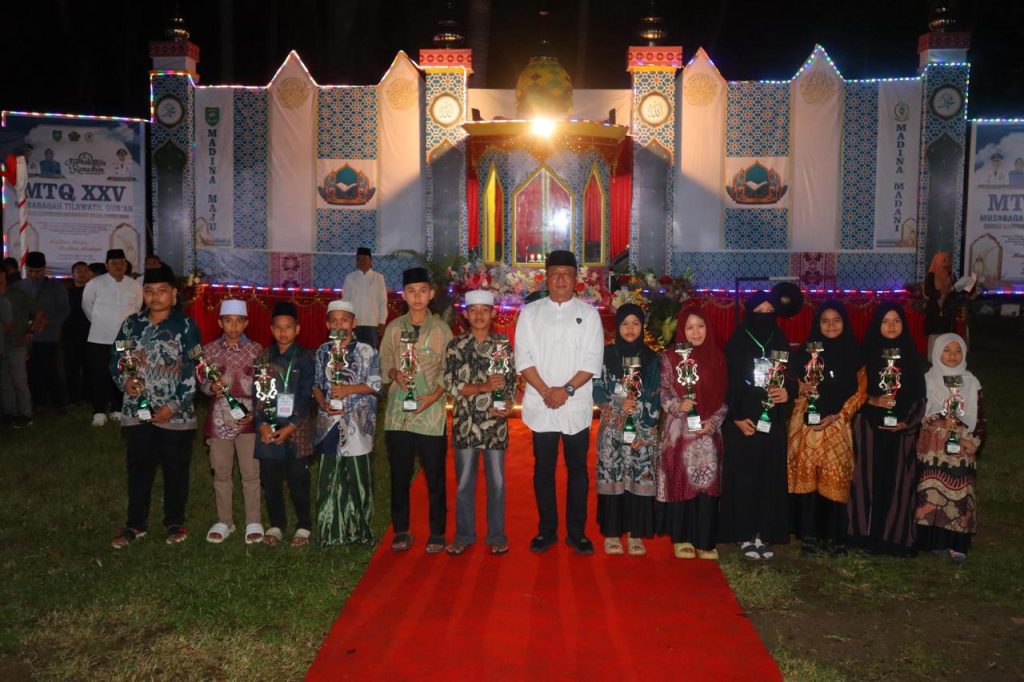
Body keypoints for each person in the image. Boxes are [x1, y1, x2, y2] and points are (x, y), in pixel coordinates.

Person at [514, 250, 604, 555]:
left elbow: (592, 360)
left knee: (578, 470)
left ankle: (577, 533)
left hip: (574, 403)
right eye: (555, 274)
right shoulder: (530, 313)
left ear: (576, 278)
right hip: (542, 404)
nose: (561, 279)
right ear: (546, 278)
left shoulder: (589, 315)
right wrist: (545, 391)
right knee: (544, 469)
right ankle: (547, 530)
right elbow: (523, 358)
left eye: (567, 273)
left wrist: (565, 390)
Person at [109, 265, 201, 548]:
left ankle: (174, 521)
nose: (155, 296)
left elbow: (195, 367)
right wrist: (125, 381)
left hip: (176, 414)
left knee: (175, 468)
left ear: (173, 294)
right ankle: (135, 524)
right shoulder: (130, 325)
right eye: (149, 291)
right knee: (139, 467)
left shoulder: (186, 326)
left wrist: (174, 405)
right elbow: (118, 357)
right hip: (137, 412)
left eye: (162, 291)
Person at [381, 267, 453, 553]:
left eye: (423, 291)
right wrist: (394, 373)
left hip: (431, 414)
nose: (417, 296)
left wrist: (433, 397)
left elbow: (449, 370)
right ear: (404, 295)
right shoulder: (394, 328)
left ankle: (437, 531)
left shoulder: (441, 330)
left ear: (431, 294)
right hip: (398, 414)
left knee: (435, 475)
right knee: (399, 474)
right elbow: (384, 361)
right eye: (411, 291)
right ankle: (401, 529)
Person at [787, 301, 866, 557]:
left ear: (844, 322)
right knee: (809, 482)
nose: (831, 326)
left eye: (836, 320)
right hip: (808, 427)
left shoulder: (855, 353)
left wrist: (839, 416)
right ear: (817, 324)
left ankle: (834, 536)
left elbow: (861, 392)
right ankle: (809, 535)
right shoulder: (805, 352)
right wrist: (804, 390)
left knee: (835, 480)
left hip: (838, 426)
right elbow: (795, 383)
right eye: (825, 321)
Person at [719, 291, 795, 560]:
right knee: (745, 479)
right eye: (759, 311)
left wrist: (788, 393)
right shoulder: (736, 343)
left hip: (772, 423)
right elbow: (725, 385)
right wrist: (736, 418)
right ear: (749, 313)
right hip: (744, 423)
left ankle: (763, 533)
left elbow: (793, 378)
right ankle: (744, 534)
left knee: (768, 478)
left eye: (769, 311)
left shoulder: (781, 341)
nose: (764, 316)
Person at [847, 302, 926, 556]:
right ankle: (862, 536)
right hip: (868, 429)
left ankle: (893, 537)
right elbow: (852, 391)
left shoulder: (912, 356)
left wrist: (907, 423)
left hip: (901, 432)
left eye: (897, 321)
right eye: (885, 321)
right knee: (865, 481)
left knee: (898, 481)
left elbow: (920, 397)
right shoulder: (865, 354)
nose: (891, 326)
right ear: (877, 324)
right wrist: (872, 400)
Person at [442, 289, 517, 556]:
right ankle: (464, 534)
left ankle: (496, 535)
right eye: (473, 310)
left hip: (495, 424)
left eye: (485, 310)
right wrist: (482, 387)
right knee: (464, 483)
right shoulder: (456, 345)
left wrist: (508, 404)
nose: (479, 315)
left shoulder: (502, 346)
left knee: (497, 483)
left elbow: (511, 381)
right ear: (465, 314)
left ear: (493, 313)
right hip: (466, 422)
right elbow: (449, 383)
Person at [657, 306, 728, 560]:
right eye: (689, 327)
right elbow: (662, 390)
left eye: (700, 326)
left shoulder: (718, 357)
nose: (695, 332)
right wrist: (678, 405)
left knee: (708, 485)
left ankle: (704, 540)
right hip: (680, 431)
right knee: (681, 481)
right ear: (681, 330)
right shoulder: (670, 357)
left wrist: (715, 421)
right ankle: (681, 537)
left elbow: (725, 397)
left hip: (708, 432)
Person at [593, 303, 660, 556]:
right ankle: (612, 533)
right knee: (612, 476)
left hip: (640, 428)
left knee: (637, 475)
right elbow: (596, 388)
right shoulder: (606, 354)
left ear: (642, 326)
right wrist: (617, 404)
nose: (630, 329)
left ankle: (635, 533)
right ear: (617, 327)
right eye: (624, 323)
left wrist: (646, 427)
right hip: (612, 429)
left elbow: (655, 395)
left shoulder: (651, 358)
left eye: (635, 323)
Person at [312, 300, 381, 547]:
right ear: (327, 324)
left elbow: (375, 385)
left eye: (344, 319)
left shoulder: (367, 351)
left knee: (358, 477)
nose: (339, 324)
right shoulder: (323, 351)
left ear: (354, 323)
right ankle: (329, 531)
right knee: (329, 476)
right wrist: (323, 403)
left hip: (358, 423)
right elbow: (317, 385)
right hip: (329, 421)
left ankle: (359, 530)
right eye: (334, 320)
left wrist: (348, 389)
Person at [915, 333, 985, 563]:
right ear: (936, 353)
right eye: (947, 350)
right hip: (933, 445)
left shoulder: (971, 382)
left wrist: (973, 441)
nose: (953, 355)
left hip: (961, 445)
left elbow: (981, 417)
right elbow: (919, 410)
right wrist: (937, 421)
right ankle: (931, 542)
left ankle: (957, 543)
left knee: (959, 492)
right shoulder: (928, 379)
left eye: (958, 350)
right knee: (931, 492)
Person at [198, 299, 264, 545]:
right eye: (228, 321)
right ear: (220, 323)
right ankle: (225, 520)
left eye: (239, 321)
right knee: (222, 472)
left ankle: (253, 520)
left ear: (246, 323)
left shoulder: (256, 350)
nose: (234, 326)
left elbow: (263, 386)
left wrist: (256, 413)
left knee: (251, 471)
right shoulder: (208, 351)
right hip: (219, 420)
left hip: (248, 420)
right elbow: (203, 383)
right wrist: (210, 387)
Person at [253, 301, 315, 548]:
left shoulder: (305, 358)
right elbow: (257, 395)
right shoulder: (263, 357)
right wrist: (262, 424)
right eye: (278, 327)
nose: (283, 332)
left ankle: (304, 525)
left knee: (298, 480)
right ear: (271, 329)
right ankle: (277, 524)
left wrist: (291, 426)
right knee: (271, 481)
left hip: (296, 430)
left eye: (288, 327)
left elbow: (306, 395)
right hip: (269, 429)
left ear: (297, 329)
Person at [83, 249, 144, 426]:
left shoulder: (134, 285)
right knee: (99, 374)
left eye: (122, 262)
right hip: (99, 337)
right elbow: (87, 307)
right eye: (114, 263)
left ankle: (118, 409)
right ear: (107, 265)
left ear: (126, 264)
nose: (118, 266)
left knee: (124, 373)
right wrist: (102, 323)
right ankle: (99, 411)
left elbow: (137, 308)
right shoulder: (95, 284)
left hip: (125, 339)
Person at [16, 251, 70, 412]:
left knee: (52, 370)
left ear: (44, 269)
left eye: (38, 271)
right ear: (25, 268)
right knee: (31, 372)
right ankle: (37, 402)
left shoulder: (56, 286)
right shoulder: (19, 286)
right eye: (30, 271)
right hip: (25, 337)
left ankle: (60, 404)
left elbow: (64, 311)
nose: (34, 274)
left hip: (49, 336)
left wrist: (47, 323)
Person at [0, 270, 40, 428]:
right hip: (2, 345)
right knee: (5, 382)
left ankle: (25, 414)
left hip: (17, 343)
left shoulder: (17, 294)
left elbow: (39, 312)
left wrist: (31, 332)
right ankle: (10, 413)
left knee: (18, 379)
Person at [342, 247, 388, 347]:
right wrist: (345, 321)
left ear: (371, 260)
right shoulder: (350, 278)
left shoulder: (379, 278)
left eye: (364, 258)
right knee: (352, 351)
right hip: (353, 323)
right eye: (359, 259)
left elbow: (382, 302)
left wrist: (382, 322)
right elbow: (345, 302)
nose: (361, 261)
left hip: (372, 323)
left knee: (370, 352)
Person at [63, 261, 93, 404]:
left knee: (89, 366)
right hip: (70, 335)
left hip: (90, 334)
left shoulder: (94, 293)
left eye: (85, 270)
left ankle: (87, 396)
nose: (82, 274)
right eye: (78, 271)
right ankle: (73, 397)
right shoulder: (66, 293)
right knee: (71, 366)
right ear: (73, 274)